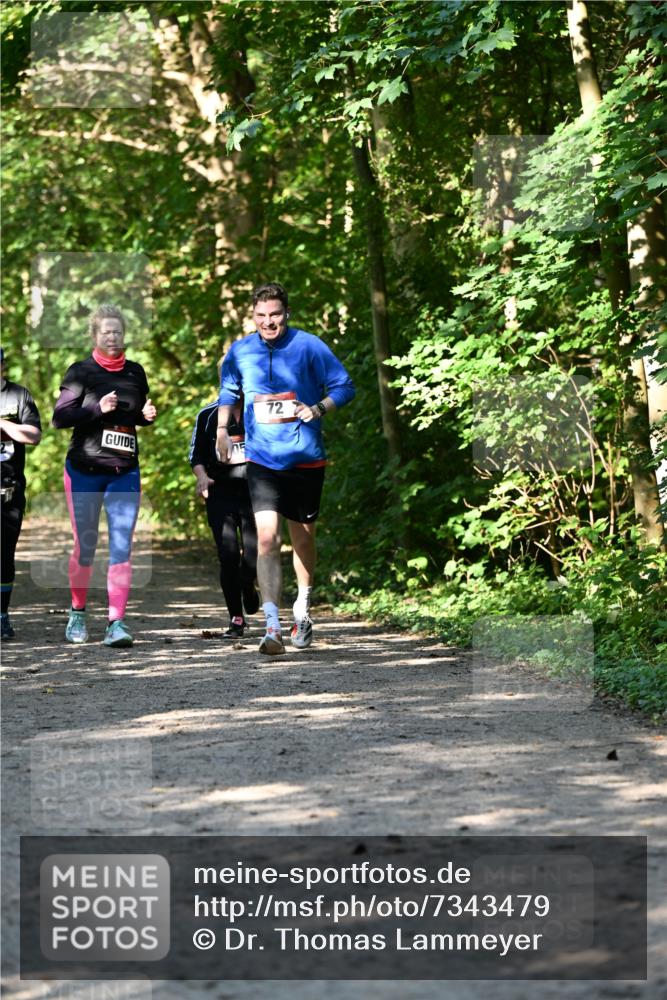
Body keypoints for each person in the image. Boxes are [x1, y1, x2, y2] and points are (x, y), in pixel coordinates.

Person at [216, 282, 355, 656]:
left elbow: (344, 386)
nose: (268, 322)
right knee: (265, 539)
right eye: (261, 316)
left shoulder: (309, 346)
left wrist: (318, 408)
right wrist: (221, 432)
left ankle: (303, 609)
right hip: (262, 460)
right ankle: (272, 625)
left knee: (303, 539)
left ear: (286, 314)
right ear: (253, 317)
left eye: (274, 314)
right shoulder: (241, 350)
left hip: (306, 458)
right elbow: (228, 391)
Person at [52, 304, 157, 648]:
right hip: (84, 469)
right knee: (86, 546)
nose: (112, 336)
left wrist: (145, 416)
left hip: (124, 470)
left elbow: (135, 415)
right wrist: (98, 408)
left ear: (124, 334)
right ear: (95, 336)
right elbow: (60, 417)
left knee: (122, 546)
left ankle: (116, 623)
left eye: (117, 331)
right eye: (105, 332)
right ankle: (78, 613)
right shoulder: (81, 372)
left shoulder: (136, 372)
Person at [189, 393, 259, 638]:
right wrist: (201, 477)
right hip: (220, 495)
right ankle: (236, 620)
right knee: (227, 555)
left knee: (253, 555)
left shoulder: (259, 410)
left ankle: (248, 585)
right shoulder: (207, 415)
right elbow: (195, 456)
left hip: (254, 494)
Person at [0, 347, 42, 639]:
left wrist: (3, 425)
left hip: (8, 489)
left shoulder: (19, 395)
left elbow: (34, 436)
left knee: (4, 556)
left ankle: (2, 615)